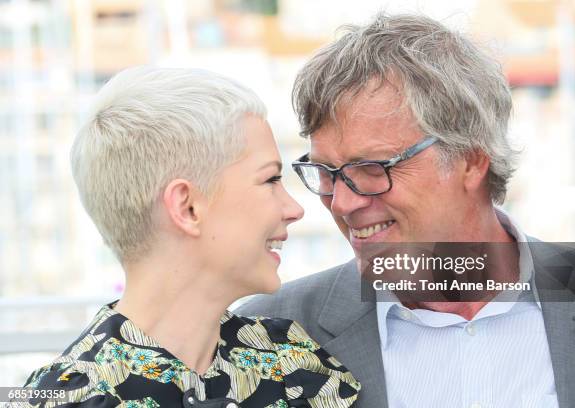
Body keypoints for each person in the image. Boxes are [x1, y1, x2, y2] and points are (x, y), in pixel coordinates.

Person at [237, 13, 575, 408]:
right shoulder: (266, 336)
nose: (344, 203)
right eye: (327, 173)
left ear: (470, 159)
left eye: (372, 168)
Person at [18, 67, 360, 407]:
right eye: (270, 179)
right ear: (187, 207)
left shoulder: (295, 366)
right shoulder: (62, 398)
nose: (293, 209)